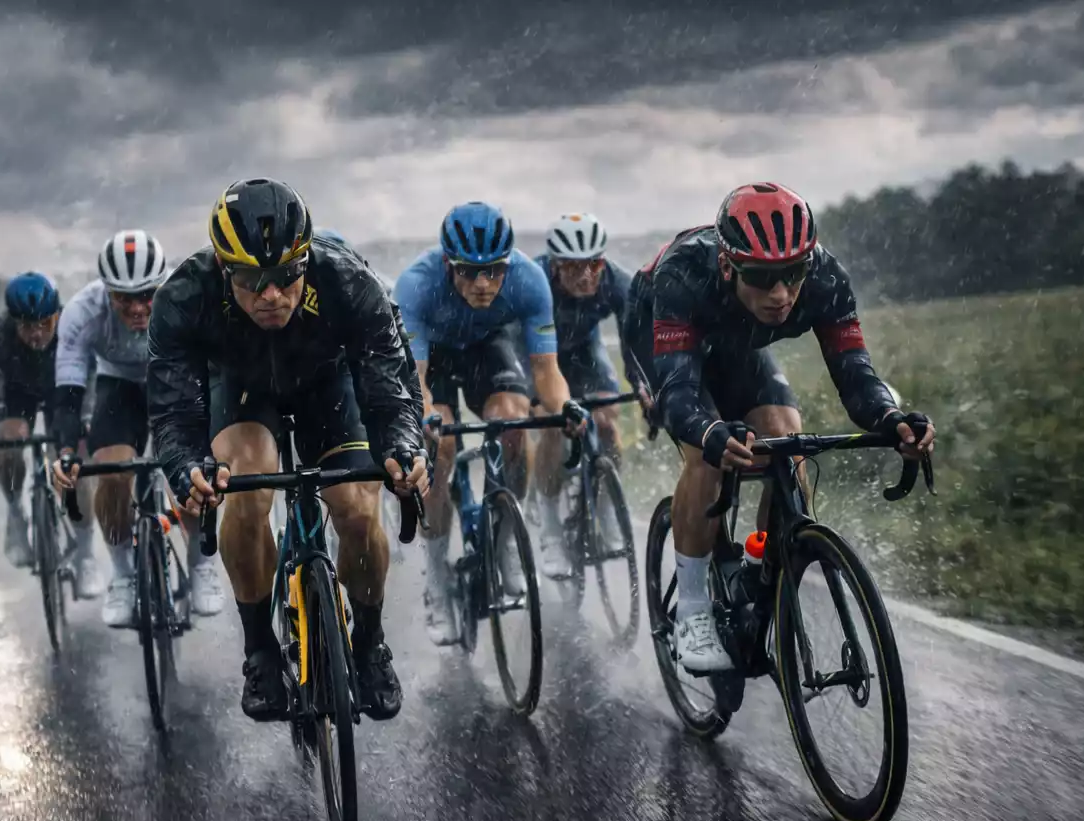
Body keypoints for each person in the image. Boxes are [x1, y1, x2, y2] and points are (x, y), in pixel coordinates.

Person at [148, 178, 429, 723]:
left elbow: (390, 388)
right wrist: (187, 469)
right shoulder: (184, 296)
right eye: (252, 281)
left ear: (305, 260)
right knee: (245, 490)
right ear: (223, 268)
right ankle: (259, 649)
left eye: (286, 276)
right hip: (242, 391)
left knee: (357, 506)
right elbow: (174, 411)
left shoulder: (346, 279)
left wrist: (403, 447)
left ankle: (369, 643)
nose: (272, 295)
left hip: (329, 385)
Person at [651, 182, 935, 672]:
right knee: (707, 456)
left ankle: (763, 573)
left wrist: (892, 420)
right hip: (668, 340)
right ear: (728, 266)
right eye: (762, 278)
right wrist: (709, 432)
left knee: (786, 440)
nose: (780, 294)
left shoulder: (825, 277)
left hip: (737, 346)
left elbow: (856, 376)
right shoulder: (684, 275)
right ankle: (694, 608)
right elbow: (678, 394)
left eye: (792, 274)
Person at [393, 200, 580, 645]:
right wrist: (426, 418)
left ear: (507, 264)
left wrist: (566, 409)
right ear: (447, 264)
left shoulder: (528, 280)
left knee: (515, 423)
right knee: (438, 449)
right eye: (469, 271)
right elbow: (416, 383)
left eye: (494, 271)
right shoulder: (416, 286)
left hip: (487, 347)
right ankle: (436, 576)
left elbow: (546, 372)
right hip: (434, 358)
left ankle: (506, 539)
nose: (482, 283)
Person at [48, 230, 226, 626]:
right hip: (119, 386)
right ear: (106, 291)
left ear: (162, 282)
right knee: (111, 474)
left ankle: (201, 564)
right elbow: (69, 393)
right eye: (123, 298)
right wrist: (66, 450)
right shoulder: (82, 313)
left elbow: (216, 363)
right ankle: (124, 574)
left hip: (174, 376)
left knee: (191, 473)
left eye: (147, 294)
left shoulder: (186, 295)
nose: (137, 307)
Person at [531, 212, 634, 578]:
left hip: (584, 354)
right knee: (552, 425)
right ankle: (550, 528)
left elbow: (634, 345)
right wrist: (531, 398)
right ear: (555, 265)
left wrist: (645, 389)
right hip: (537, 358)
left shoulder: (617, 282)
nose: (587, 275)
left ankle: (605, 503)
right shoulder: (534, 281)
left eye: (594, 264)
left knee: (606, 422)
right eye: (574, 267)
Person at [0, 271, 87, 567]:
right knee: (9, 443)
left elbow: (93, 374)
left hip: (61, 388)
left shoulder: (74, 326)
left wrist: (87, 417)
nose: (36, 334)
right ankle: (15, 513)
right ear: (13, 321)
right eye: (27, 327)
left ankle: (85, 553)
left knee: (69, 458)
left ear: (56, 316)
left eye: (45, 325)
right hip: (17, 393)